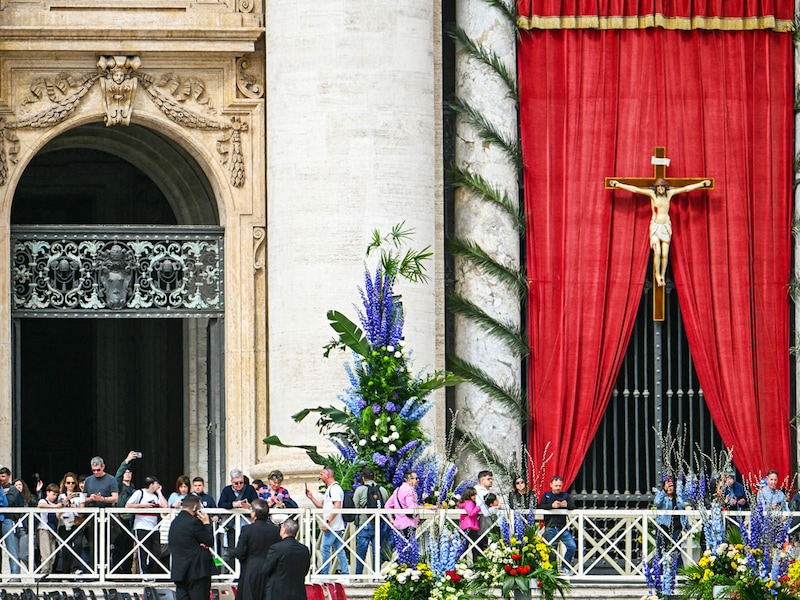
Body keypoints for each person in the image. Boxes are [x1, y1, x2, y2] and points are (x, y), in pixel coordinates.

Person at [609, 177, 712, 287]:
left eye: (662, 188)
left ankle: (662, 274)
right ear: (656, 188)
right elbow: (635, 189)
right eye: (659, 188)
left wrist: (701, 184)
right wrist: (618, 184)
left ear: (665, 188)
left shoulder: (669, 194)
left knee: (665, 253)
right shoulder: (652, 194)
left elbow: (686, 189)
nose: (661, 190)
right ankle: (657, 274)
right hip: (656, 227)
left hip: (666, 226)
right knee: (657, 252)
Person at [230, 498, 281, 600]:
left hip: (251, 569)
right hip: (270, 569)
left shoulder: (247, 529)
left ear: (254, 514)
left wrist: (233, 554)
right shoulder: (276, 530)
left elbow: (240, 552)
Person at [305, 466, 349, 575]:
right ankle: (345, 573)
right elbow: (322, 506)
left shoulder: (334, 488)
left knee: (324, 548)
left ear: (327, 475)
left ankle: (325, 574)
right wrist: (311, 497)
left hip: (332, 525)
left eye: (321, 474)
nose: (320, 477)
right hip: (334, 524)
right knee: (339, 550)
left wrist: (328, 522)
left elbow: (337, 506)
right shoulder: (331, 489)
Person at [169, 495, 214, 600]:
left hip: (180, 571)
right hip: (196, 571)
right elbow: (209, 541)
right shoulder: (194, 522)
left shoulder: (175, 522)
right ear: (195, 507)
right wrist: (206, 523)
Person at [126, 475, 169, 574]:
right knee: (143, 552)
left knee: (156, 551)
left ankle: (152, 572)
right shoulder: (139, 493)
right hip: (141, 526)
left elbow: (165, 507)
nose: (158, 485)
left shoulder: (155, 496)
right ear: (151, 484)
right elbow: (128, 505)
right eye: (156, 484)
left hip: (154, 527)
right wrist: (143, 506)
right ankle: (143, 574)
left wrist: (159, 492)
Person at [263, 517, 311, 600]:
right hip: (298, 591)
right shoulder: (304, 549)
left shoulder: (276, 548)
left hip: (278, 592)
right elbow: (305, 570)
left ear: (284, 529)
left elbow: (266, 569)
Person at [352, 467, 388, 575]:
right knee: (377, 551)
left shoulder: (360, 490)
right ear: (375, 477)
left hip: (364, 524)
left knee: (361, 552)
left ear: (363, 478)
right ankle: (377, 574)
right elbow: (386, 505)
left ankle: (358, 576)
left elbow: (354, 506)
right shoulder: (382, 490)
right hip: (378, 524)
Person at [218, 469, 258, 559]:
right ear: (231, 481)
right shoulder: (226, 490)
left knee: (248, 547)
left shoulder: (250, 489)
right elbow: (221, 504)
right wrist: (233, 504)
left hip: (247, 523)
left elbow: (256, 502)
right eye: (236, 483)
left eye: (241, 482)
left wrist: (249, 506)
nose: (239, 485)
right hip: (232, 524)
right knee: (233, 549)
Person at [540, 475, 577, 572]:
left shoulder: (565, 495)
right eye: (556, 485)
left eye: (560, 486)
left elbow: (573, 506)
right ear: (551, 485)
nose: (558, 488)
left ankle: (564, 567)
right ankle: (553, 570)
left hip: (563, 527)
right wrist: (551, 506)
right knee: (552, 550)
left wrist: (566, 505)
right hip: (550, 527)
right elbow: (540, 506)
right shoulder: (547, 495)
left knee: (572, 546)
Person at [113, 450, 140, 574]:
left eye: (130, 472)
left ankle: (128, 572)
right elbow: (117, 475)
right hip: (120, 521)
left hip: (131, 522)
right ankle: (117, 572)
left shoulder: (134, 489)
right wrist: (127, 461)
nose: (128, 474)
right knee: (119, 548)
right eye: (126, 472)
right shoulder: (119, 486)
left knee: (129, 548)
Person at [653, 476, 689, 565]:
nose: (669, 488)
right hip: (663, 526)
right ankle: (659, 571)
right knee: (661, 549)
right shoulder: (662, 497)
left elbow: (683, 513)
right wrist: (663, 492)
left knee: (676, 550)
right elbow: (657, 503)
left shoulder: (678, 498)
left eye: (671, 486)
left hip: (677, 527)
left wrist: (687, 526)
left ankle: (679, 572)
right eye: (667, 486)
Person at [57, 471, 85, 573]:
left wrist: (75, 508)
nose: (71, 485)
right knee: (65, 548)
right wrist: (65, 501)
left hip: (76, 522)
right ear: (65, 484)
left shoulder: (80, 495)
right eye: (68, 483)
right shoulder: (61, 496)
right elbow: (57, 514)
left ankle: (75, 568)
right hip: (64, 523)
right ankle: (65, 572)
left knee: (78, 544)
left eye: (73, 483)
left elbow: (82, 512)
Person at [0, 466, 24, 577]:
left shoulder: (12, 489)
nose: (1, 478)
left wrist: (3, 494)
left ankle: (15, 575)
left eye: (3, 476)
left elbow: (9, 502)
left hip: (7, 519)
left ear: (9, 477)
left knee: (11, 548)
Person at [385, 471, 420, 538]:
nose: (418, 480)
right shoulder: (410, 490)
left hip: (398, 524)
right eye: (416, 478)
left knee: (402, 546)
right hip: (409, 524)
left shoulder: (397, 490)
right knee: (410, 546)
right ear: (409, 480)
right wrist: (428, 507)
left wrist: (391, 520)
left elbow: (387, 505)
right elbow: (412, 507)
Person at [36, 483, 61, 574]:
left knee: (52, 554)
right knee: (45, 553)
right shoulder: (44, 501)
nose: (54, 497)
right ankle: (44, 572)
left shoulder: (54, 504)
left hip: (52, 530)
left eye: (56, 495)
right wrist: (55, 507)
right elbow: (40, 505)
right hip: (43, 529)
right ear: (47, 492)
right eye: (53, 494)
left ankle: (49, 572)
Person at [458, 486, 481, 559]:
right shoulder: (469, 503)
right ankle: (476, 562)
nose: (475, 496)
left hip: (465, 526)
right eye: (473, 495)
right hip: (470, 526)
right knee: (476, 546)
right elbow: (471, 513)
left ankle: (462, 562)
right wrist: (479, 507)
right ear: (469, 495)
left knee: (464, 546)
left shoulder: (464, 503)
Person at [474, 470, 495, 542]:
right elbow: (480, 507)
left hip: (487, 525)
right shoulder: (479, 492)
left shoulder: (484, 492)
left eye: (492, 479)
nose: (491, 481)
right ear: (482, 480)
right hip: (482, 525)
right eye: (489, 479)